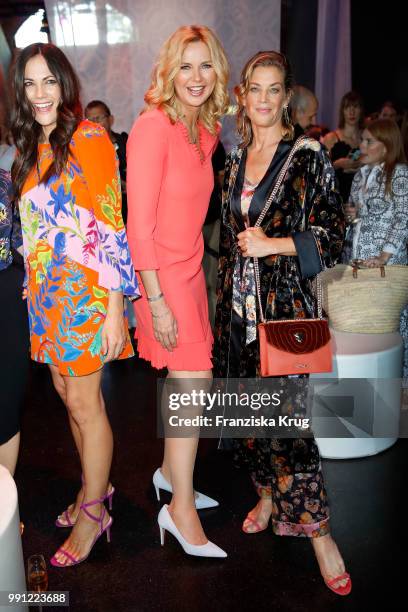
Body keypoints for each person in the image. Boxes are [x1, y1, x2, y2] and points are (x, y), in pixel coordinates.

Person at [213, 50, 351, 595]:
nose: (265, 99)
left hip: (286, 315)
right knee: (250, 418)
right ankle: (269, 495)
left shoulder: (308, 155)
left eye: (274, 90)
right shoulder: (235, 156)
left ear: (285, 96)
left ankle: (320, 535)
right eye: (256, 89)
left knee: (293, 429)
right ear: (242, 95)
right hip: (238, 317)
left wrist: (273, 245)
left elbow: (334, 237)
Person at [11, 43, 139, 567]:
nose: (41, 94)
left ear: (65, 86)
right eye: (30, 84)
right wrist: (30, 280)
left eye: (49, 82)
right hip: (46, 298)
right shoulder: (30, 147)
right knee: (68, 398)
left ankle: (93, 514)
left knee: (87, 404)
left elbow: (111, 221)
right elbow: (35, 228)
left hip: (86, 295)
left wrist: (114, 308)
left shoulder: (89, 137)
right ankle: (94, 488)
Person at [126, 25, 229, 558]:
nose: (195, 77)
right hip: (160, 279)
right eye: (185, 66)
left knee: (189, 383)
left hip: (190, 272)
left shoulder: (205, 130)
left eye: (205, 65)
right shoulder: (153, 126)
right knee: (195, 382)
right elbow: (136, 224)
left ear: (217, 73)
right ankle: (179, 508)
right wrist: (157, 300)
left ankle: (170, 472)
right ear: (170, 71)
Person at [344, 118, 408, 385]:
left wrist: (385, 255)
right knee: (365, 325)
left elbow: (403, 218)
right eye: (362, 139)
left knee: (392, 325)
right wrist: (352, 214)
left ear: (386, 145)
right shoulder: (360, 173)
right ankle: (365, 385)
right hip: (358, 258)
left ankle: (399, 386)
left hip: (387, 263)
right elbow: (357, 212)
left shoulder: (400, 173)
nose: (362, 145)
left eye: (369, 141)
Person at [0, 163, 28, 476]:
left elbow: (22, 236)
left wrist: (32, 276)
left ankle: (4, 509)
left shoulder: (5, 181)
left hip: (6, 297)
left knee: (5, 407)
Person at [84, 100, 129, 223]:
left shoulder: (126, 144)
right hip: (99, 216)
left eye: (99, 118)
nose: (95, 124)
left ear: (111, 120)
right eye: (90, 121)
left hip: (127, 213)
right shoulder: (82, 152)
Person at [322, 91, 364, 202]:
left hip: (362, 194)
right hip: (339, 195)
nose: (352, 112)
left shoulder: (367, 137)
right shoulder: (331, 138)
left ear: (361, 110)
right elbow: (320, 171)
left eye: (355, 107)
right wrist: (338, 164)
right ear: (342, 111)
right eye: (347, 108)